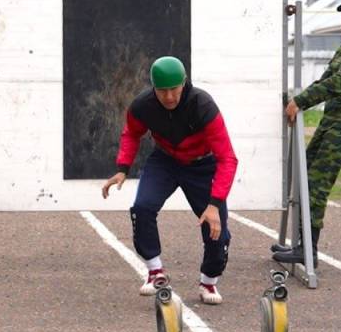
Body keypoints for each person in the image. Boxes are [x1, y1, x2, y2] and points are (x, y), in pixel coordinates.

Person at [101, 56, 239, 305]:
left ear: (184, 83)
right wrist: (123, 168)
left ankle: (209, 281)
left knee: (216, 228)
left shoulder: (203, 105)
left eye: (174, 89)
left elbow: (227, 158)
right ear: (153, 88)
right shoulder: (143, 105)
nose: (169, 97)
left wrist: (215, 203)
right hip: (165, 161)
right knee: (142, 208)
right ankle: (155, 272)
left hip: (202, 165)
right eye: (162, 91)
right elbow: (131, 133)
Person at [274, 0, 341, 264]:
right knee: (304, 177)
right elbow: (324, 81)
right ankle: (301, 245)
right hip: (331, 122)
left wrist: (300, 101)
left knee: (316, 184)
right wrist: (297, 102)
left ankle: (308, 251)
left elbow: (338, 83)